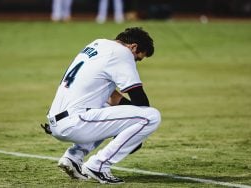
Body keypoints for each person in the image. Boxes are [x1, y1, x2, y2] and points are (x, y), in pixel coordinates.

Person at [41, 27, 161, 184]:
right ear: (133, 47)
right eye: (138, 58)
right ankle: (99, 165)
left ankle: (73, 157)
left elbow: (111, 97)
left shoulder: (97, 44)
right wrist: (130, 132)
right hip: (75, 122)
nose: (136, 62)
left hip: (57, 120)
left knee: (106, 107)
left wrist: (126, 121)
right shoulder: (122, 53)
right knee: (151, 116)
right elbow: (140, 101)